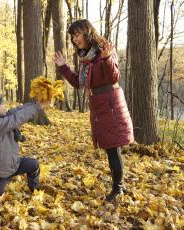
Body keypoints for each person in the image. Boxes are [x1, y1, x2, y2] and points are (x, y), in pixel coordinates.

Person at [53, 19, 134, 203]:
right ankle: (119, 185)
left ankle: (118, 188)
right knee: (110, 148)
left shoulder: (103, 50)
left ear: (88, 32)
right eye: (72, 35)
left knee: (113, 148)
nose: (75, 39)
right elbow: (79, 83)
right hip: (99, 105)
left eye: (77, 34)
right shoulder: (86, 57)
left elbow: (113, 76)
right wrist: (63, 66)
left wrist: (106, 58)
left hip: (110, 103)